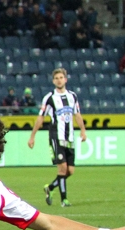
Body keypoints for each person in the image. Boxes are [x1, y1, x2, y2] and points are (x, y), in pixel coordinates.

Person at [28, 68, 86, 208]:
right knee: (62, 169)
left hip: (69, 136)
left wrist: (83, 130)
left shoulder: (72, 96)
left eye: (61, 77)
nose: (59, 80)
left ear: (65, 79)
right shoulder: (49, 98)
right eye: (56, 78)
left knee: (70, 171)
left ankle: (50, 188)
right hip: (56, 136)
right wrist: (32, 136)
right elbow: (41, 117)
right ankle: (64, 200)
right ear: (53, 81)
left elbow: (77, 114)